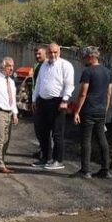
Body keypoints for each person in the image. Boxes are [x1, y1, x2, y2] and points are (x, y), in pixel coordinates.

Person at [31, 42, 75, 170]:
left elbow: (69, 84)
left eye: (55, 52)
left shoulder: (65, 65)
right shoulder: (44, 65)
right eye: (50, 52)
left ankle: (58, 160)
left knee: (57, 133)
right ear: (47, 53)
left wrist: (65, 100)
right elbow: (38, 83)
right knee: (43, 132)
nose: (53, 54)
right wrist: (34, 99)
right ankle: (46, 158)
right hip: (42, 102)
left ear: (59, 52)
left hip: (58, 102)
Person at [71, 46, 112, 179]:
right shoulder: (108, 72)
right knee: (102, 139)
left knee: (86, 139)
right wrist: (105, 110)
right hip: (101, 110)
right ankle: (105, 169)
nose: (83, 60)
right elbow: (108, 93)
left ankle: (85, 170)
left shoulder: (88, 72)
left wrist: (77, 111)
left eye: (84, 57)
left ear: (90, 57)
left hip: (88, 109)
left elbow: (83, 93)